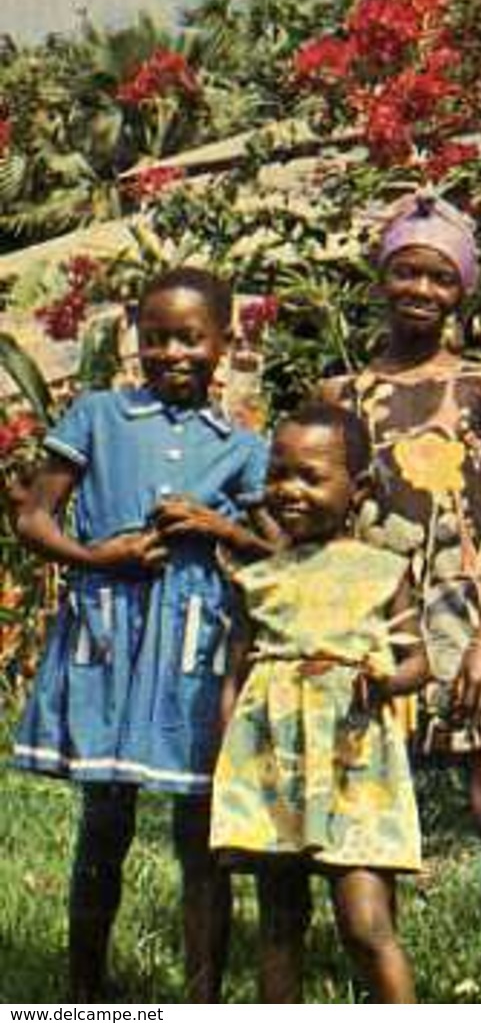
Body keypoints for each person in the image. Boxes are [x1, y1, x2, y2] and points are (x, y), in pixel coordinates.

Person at [11, 267, 273, 1001]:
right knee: (104, 821)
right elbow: (34, 517)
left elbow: (284, 549)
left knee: (199, 830)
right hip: (109, 638)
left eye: (190, 338)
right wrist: (99, 556)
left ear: (225, 341)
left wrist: (219, 526)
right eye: (155, 338)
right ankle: (83, 997)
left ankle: (202, 998)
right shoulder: (98, 415)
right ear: (136, 337)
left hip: (191, 646)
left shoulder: (244, 446)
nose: (172, 354)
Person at [322, 191, 481, 1001]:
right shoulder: (342, 392)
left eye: (438, 278)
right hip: (375, 618)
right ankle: (388, 987)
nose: (419, 290)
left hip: (463, 611)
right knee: (374, 806)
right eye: (405, 272)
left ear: (462, 291)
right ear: (381, 278)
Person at [211, 403, 429, 1003]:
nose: (289, 491)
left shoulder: (383, 571)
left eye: (310, 477)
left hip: (354, 769)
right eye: (279, 475)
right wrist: (227, 769)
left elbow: (419, 663)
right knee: (279, 924)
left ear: (357, 489)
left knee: (365, 921)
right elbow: (235, 675)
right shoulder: (258, 579)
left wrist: (387, 677)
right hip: (273, 768)